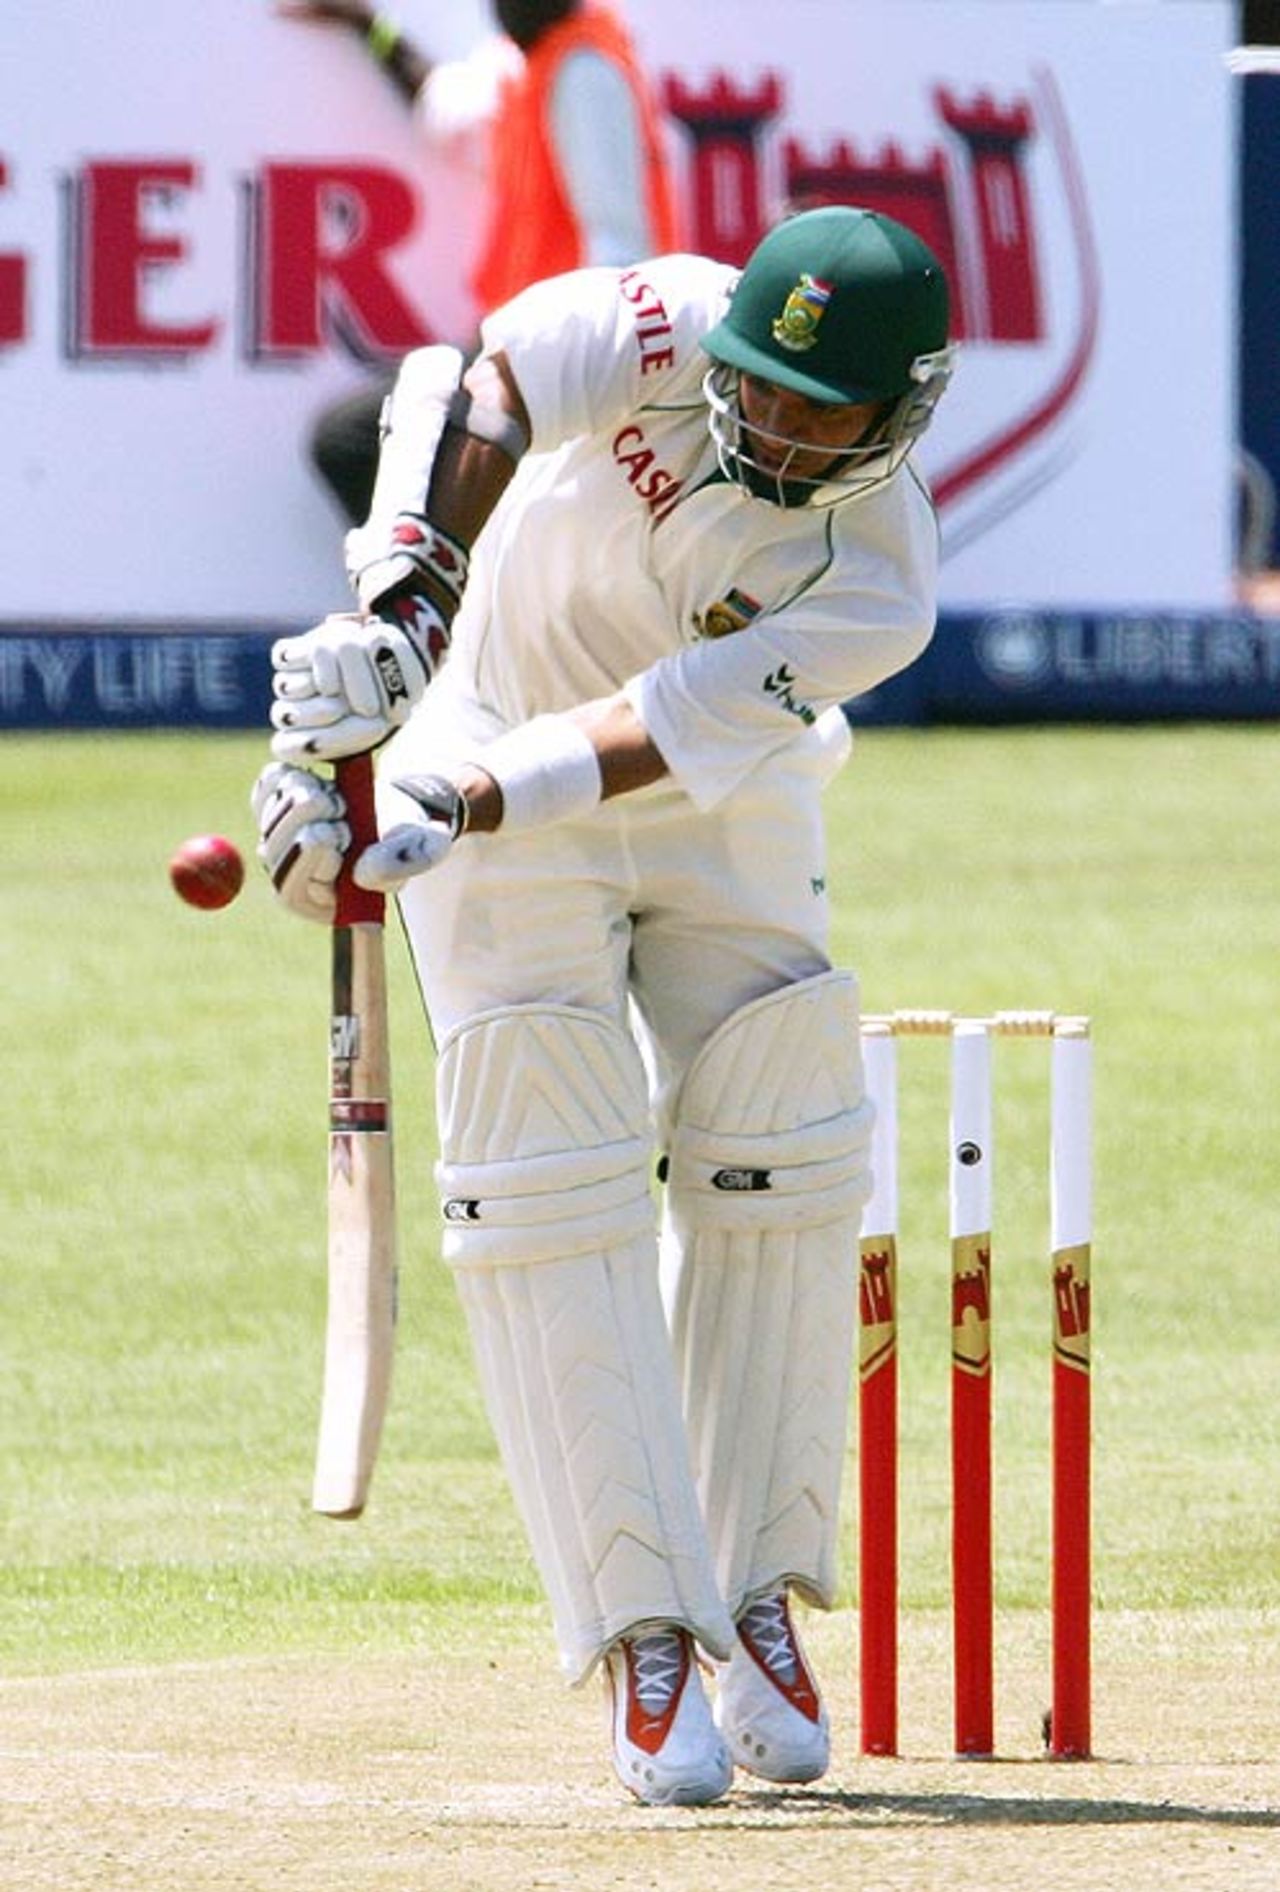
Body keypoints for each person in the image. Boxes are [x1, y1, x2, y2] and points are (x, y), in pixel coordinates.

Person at [252, 204, 954, 1805]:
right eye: (755, 388)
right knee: (549, 1173)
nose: (770, 425)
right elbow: (485, 384)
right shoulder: (665, 319)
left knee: (785, 1134)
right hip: (484, 715)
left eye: (815, 411)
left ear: (898, 415)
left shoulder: (880, 577)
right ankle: (644, 1625)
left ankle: (759, 1594)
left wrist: (457, 798)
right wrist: (399, 627)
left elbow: (661, 723)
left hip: (713, 800)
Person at [276, 0, 680, 522]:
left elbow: (620, 248)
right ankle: (457, 594)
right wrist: (368, 25)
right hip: (516, 344)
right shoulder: (520, 62)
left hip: (559, 355)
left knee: (350, 443)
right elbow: (444, 107)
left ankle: (434, 598)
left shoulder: (585, 71)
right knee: (363, 444)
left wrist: (581, 396)